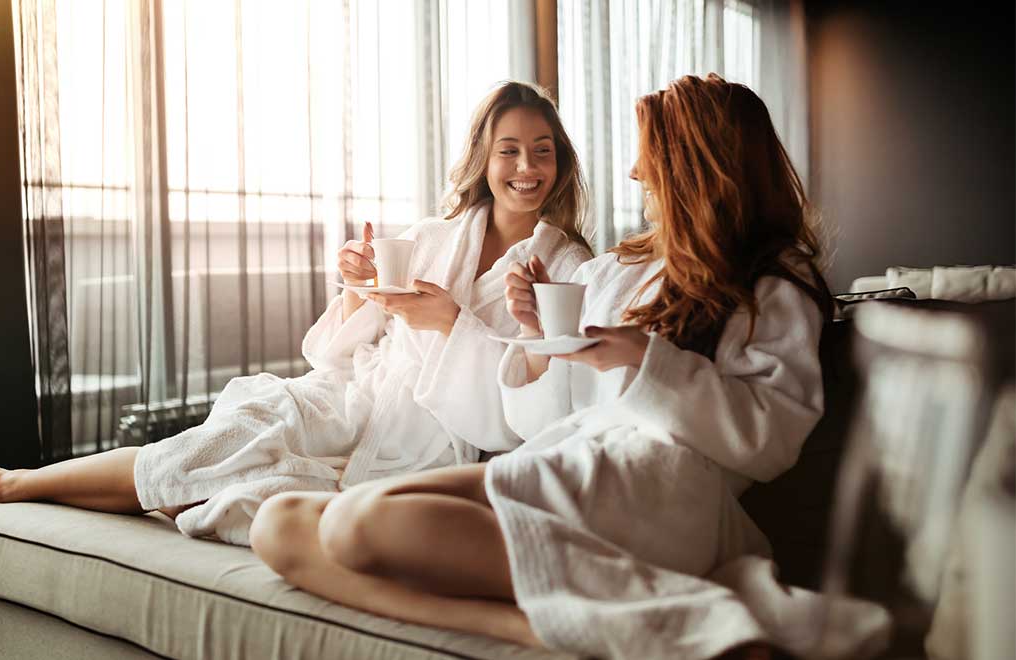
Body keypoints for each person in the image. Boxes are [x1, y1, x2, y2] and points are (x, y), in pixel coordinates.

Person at [248, 73, 840, 653]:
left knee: (360, 524)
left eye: (649, 157)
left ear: (698, 163)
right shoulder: (611, 271)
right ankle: (532, 626)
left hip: (657, 488)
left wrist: (646, 360)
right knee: (280, 526)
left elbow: (772, 438)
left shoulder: (771, 283)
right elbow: (538, 420)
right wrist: (535, 335)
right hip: (565, 462)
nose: (636, 173)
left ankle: (639, 610)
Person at [0, 81, 592, 546]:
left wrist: (451, 323)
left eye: (542, 151)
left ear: (559, 163)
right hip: (349, 400)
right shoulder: (434, 235)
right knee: (233, 432)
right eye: (510, 149)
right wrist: (355, 286)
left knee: (235, 490)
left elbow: (530, 415)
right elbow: (337, 351)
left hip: (431, 444)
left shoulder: (568, 267)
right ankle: (10, 483)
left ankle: (23, 485)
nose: (526, 167)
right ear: (485, 155)